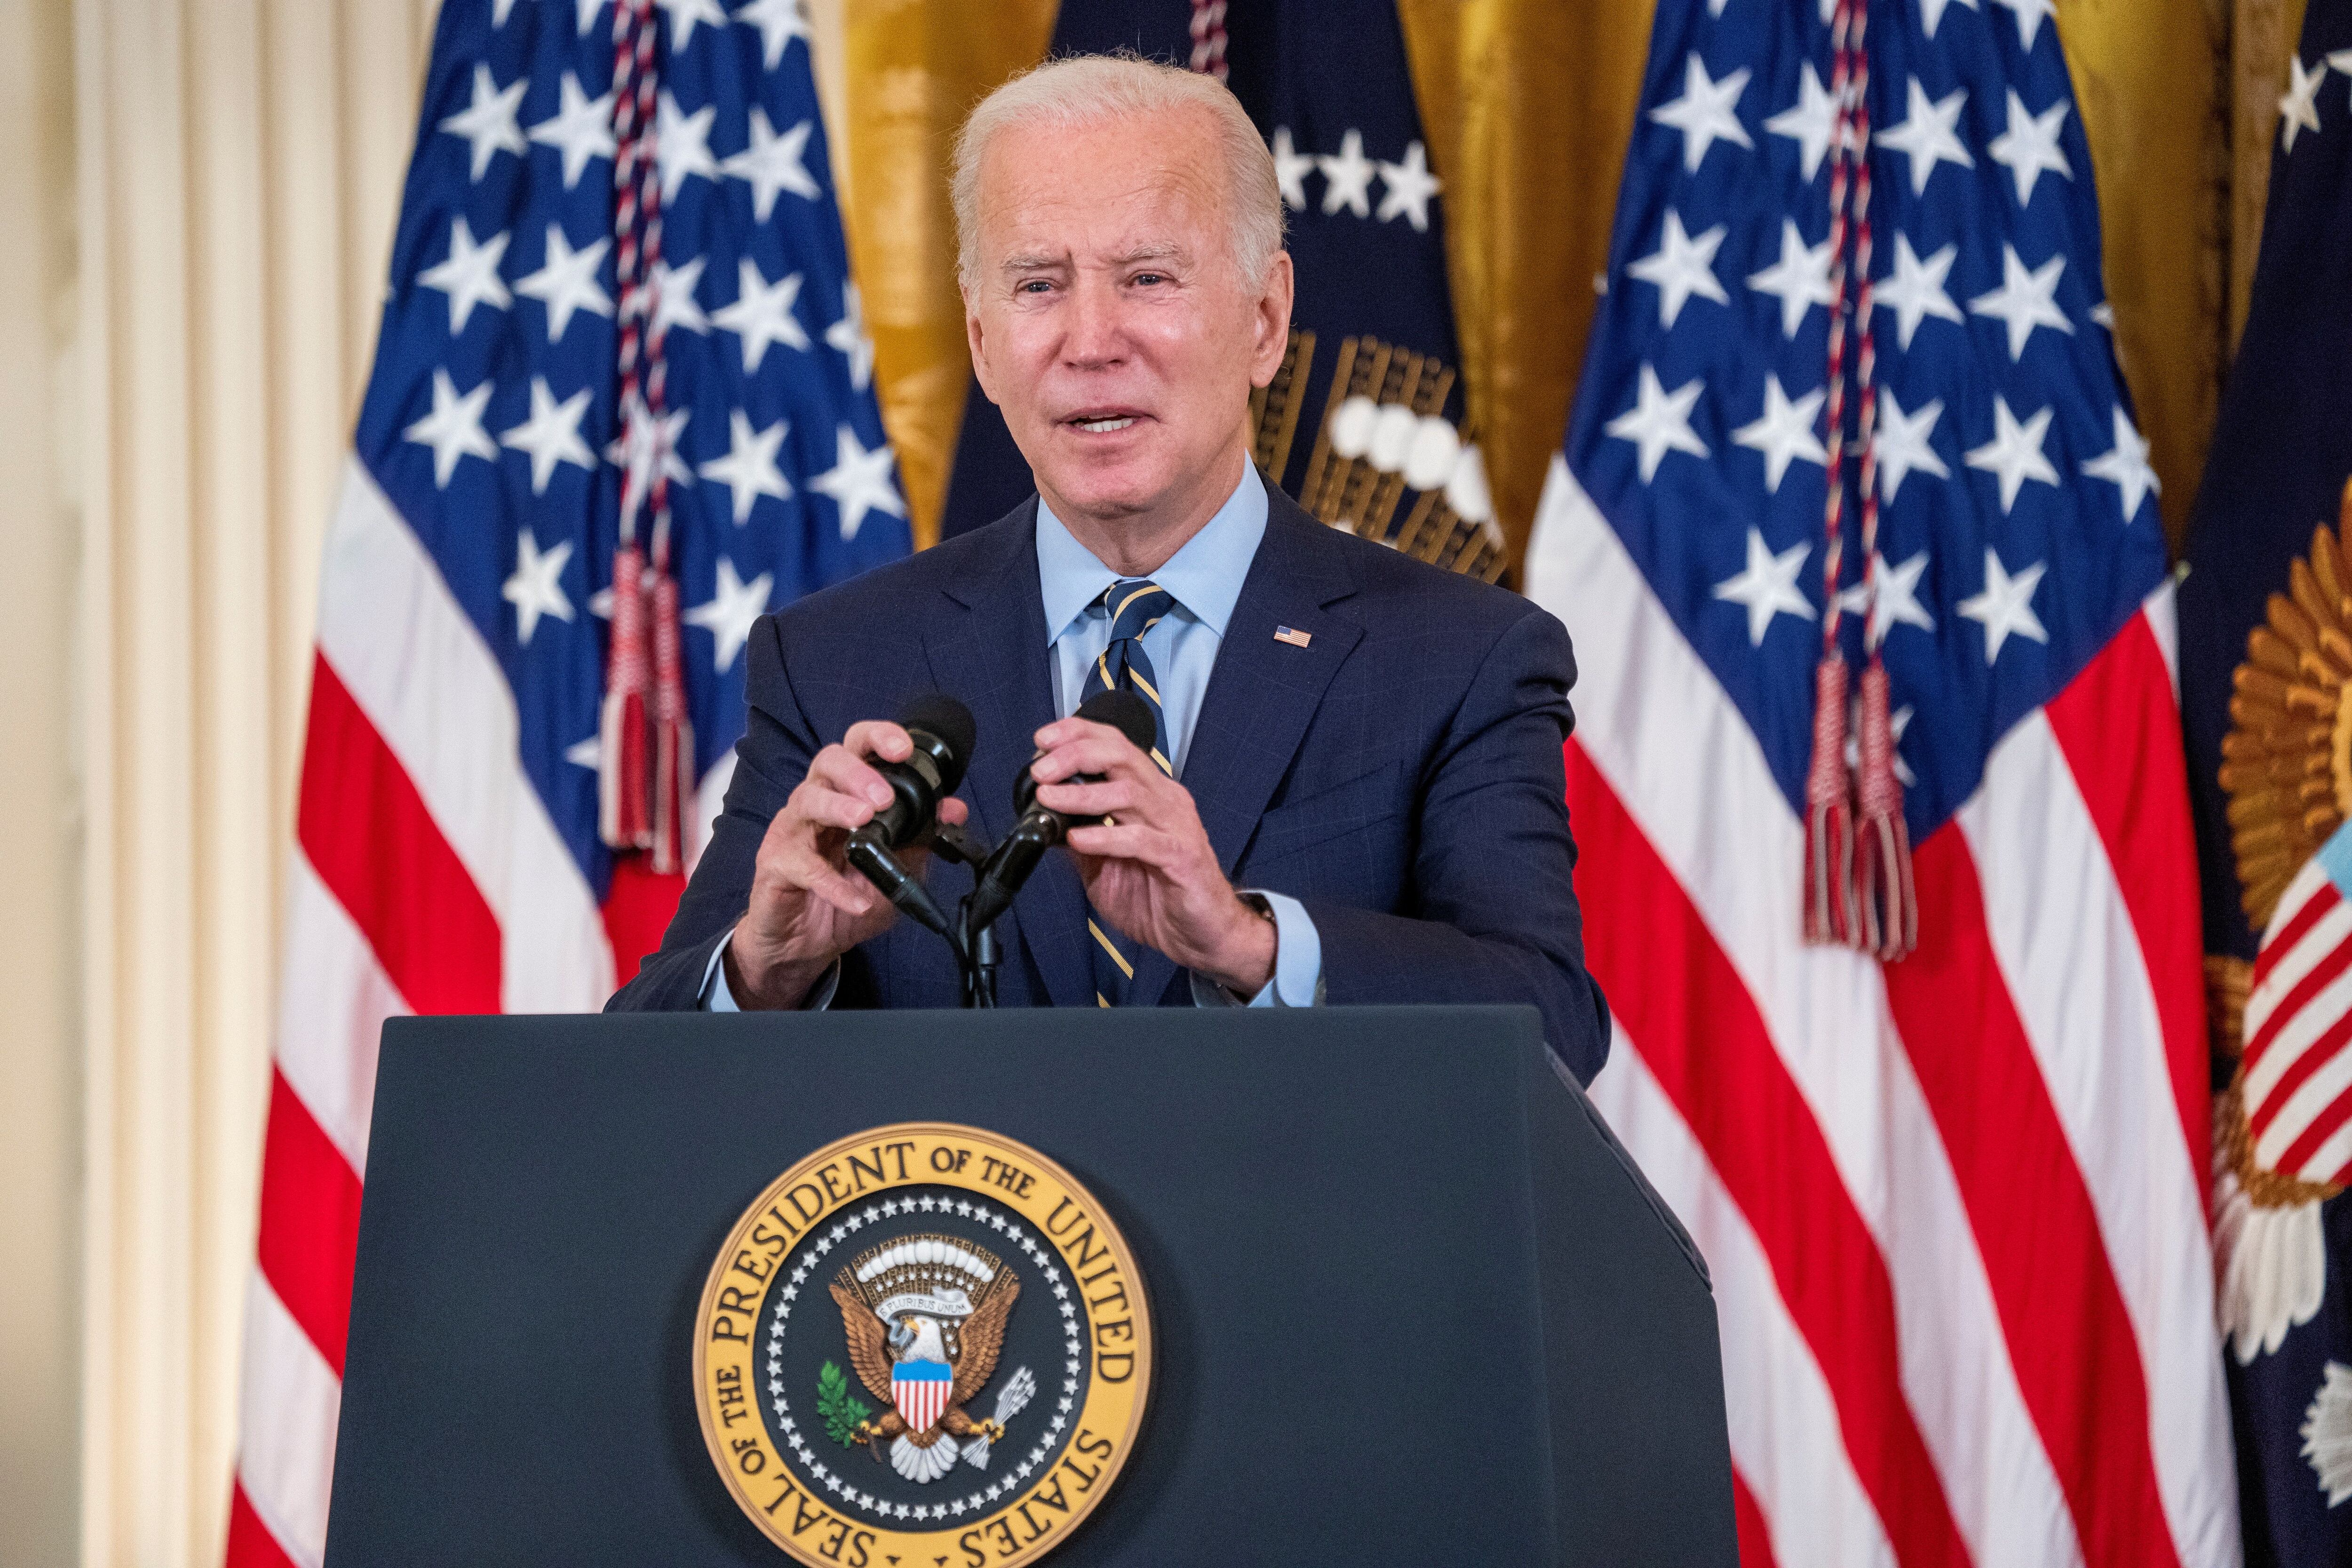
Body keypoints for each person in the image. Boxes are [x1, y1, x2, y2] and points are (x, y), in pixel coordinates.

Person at [606, 53, 1610, 1083]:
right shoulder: (831, 659)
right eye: (1039, 284)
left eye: (1147, 278)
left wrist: (1247, 943)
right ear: (982, 338)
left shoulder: (1460, 656)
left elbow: (1550, 1026)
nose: (1092, 339)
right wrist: (764, 966)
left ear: (1264, 319)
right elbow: (639, 1072)